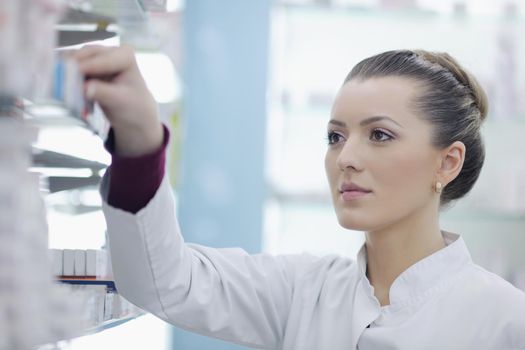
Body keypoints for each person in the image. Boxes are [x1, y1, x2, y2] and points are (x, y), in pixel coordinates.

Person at [72, 46, 525, 349]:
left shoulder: (505, 320)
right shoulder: (303, 291)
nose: (346, 157)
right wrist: (140, 142)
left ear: (447, 163)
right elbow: (164, 282)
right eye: (335, 136)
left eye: (380, 135)